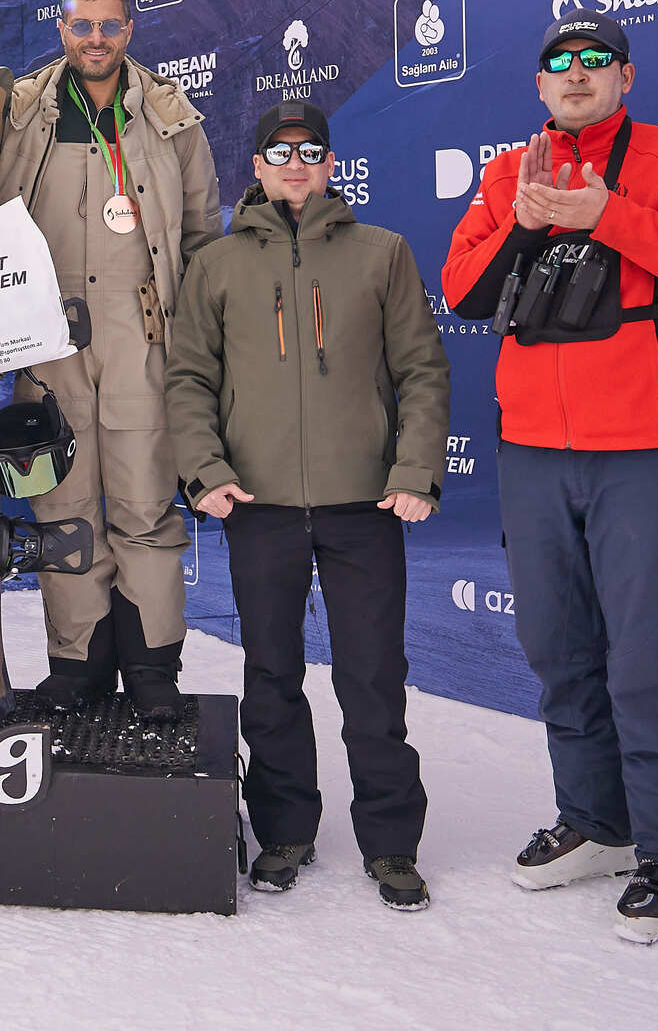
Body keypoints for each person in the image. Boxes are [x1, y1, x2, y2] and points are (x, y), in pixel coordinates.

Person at [441, 10, 658, 943]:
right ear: (540, 84)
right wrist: (525, 224)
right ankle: (597, 822)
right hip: (532, 446)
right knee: (558, 647)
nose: (576, 73)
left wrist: (607, 215)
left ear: (625, 76)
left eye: (595, 60)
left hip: (642, 443)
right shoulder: (510, 170)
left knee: (647, 656)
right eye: (559, 63)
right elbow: (463, 291)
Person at [165, 100, 449, 909]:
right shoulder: (217, 264)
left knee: (373, 678)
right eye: (279, 151)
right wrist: (204, 470)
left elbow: (422, 370)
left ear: (330, 163)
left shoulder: (382, 253)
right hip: (258, 503)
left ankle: (391, 842)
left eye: (310, 150)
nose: (296, 163)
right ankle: (285, 829)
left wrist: (414, 470)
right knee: (272, 676)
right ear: (255, 167)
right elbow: (189, 378)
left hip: (366, 504)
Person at [0, 0, 220, 716]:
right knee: (63, 507)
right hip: (44, 336)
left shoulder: (171, 117)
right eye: (82, 25)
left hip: (141, 337)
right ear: (61, 28)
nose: (95, 39)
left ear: (129, 31)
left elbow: (203, 238)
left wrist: (204, 348)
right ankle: (78, 664)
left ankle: (152, 669)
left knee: (146, 506)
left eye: (109, 26)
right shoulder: (19, 113)